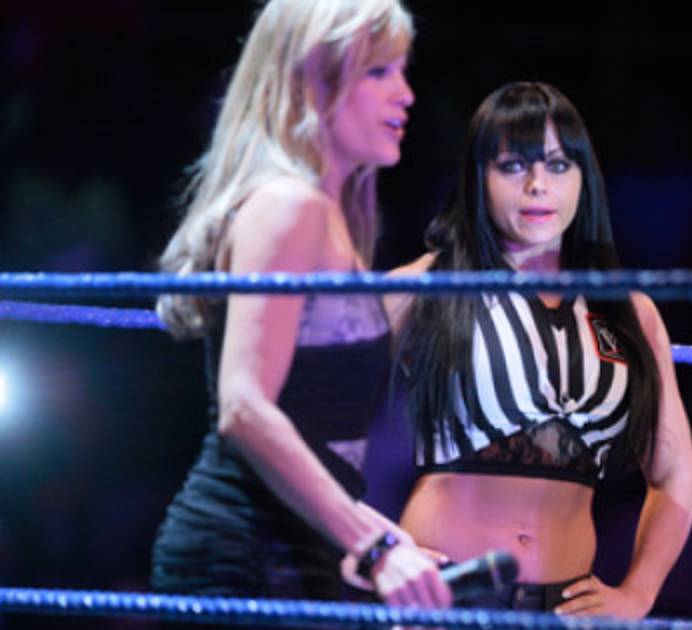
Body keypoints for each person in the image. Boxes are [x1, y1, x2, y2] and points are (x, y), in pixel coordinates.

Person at [150, 0, 450, 608]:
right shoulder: (288, 206)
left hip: (296, 546)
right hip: (246, 553)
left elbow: (310, 430)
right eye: (378, 72)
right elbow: (243, 407)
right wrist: (373, 546)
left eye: (401, 70)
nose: (406, 94)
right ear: (313, 81)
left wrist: (386, 537)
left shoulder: (331, 216)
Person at [384, 81, 692, 617]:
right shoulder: (427, 286)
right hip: (443, 602)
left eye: (557, 165)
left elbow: (674, 475)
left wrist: (638, 594)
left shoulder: (630, 313)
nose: (537, 186)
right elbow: (310, 408)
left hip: (565, 610)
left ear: (583, 177)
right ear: (479, 178)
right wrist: (374, 547)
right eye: (513, 166)